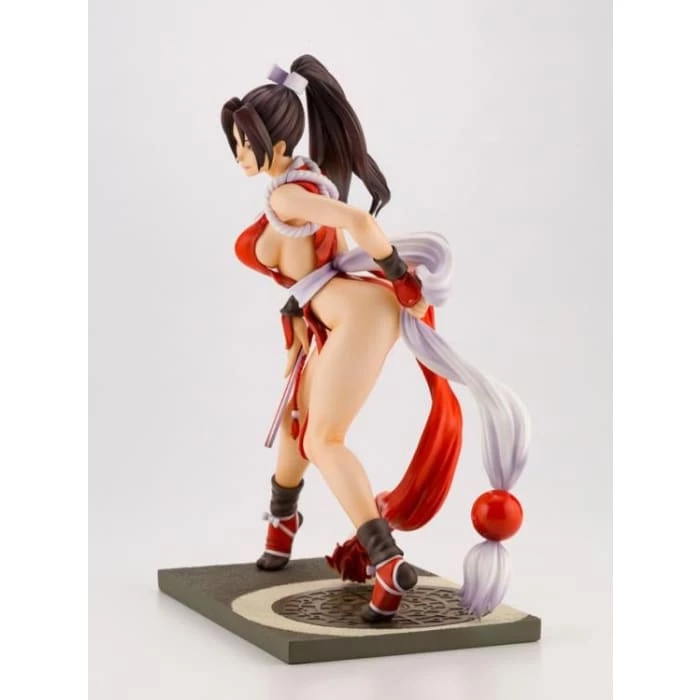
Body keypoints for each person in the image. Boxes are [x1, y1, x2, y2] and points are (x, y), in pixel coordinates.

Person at [221, 55, 530, 623]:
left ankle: (386, 563)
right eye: (236, 143)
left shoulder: (287, 197)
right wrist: (298, 324)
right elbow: (320, 267)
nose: (239, 154)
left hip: (357, 317)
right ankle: (282, 524)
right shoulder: (302, 176)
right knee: (296, 420)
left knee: (324, 440)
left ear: (277, 143)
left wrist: (402, 278)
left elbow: (360, 225)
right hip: (336, 315)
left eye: (247, 143)